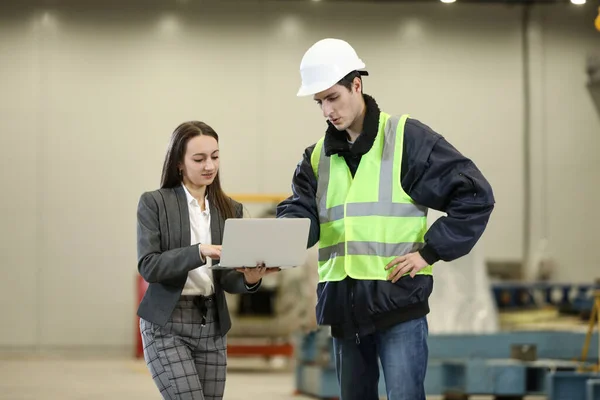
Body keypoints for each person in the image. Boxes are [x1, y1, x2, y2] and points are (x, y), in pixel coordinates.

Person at [276, 38, 496, 400]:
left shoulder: (406, 138)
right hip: (344, 310)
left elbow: (474, 195)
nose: (327, 111)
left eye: (333, 97)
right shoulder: (317, 158)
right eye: (319, 102)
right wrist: (275, 246)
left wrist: (429, 252)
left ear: (356, 85)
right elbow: (302, 213)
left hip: (398, 305)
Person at [136, 121, 279, 400]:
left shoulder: (230, 209)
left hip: (211, 324)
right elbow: (149, 266)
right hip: (167, 324)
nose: (209, 166)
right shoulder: (154, 203)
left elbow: (226, 278)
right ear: (179, 162)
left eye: (215, 156)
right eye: (199, 159)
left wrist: (251, 278)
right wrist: (199, 251)